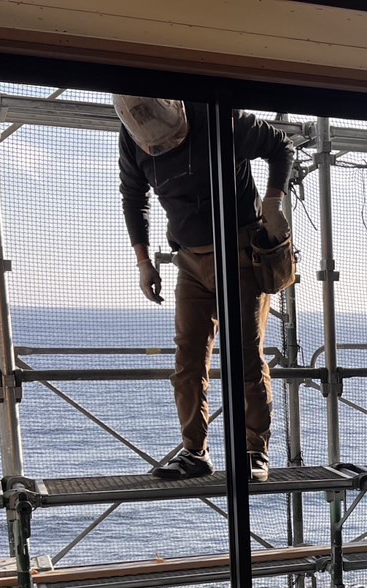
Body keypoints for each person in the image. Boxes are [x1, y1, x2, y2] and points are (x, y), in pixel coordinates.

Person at [114, 96, 297, 482]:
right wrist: (144, 262)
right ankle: (195, 452)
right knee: (188, 360)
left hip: (241, 254)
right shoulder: (131, 134)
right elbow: (133, 196)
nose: (160, 151)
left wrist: (273, 202)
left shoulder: (219, 117)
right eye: (154, 149)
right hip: (189, 259)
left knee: (245, 357)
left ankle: (254, 452)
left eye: (169, 143)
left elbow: (281, 146)